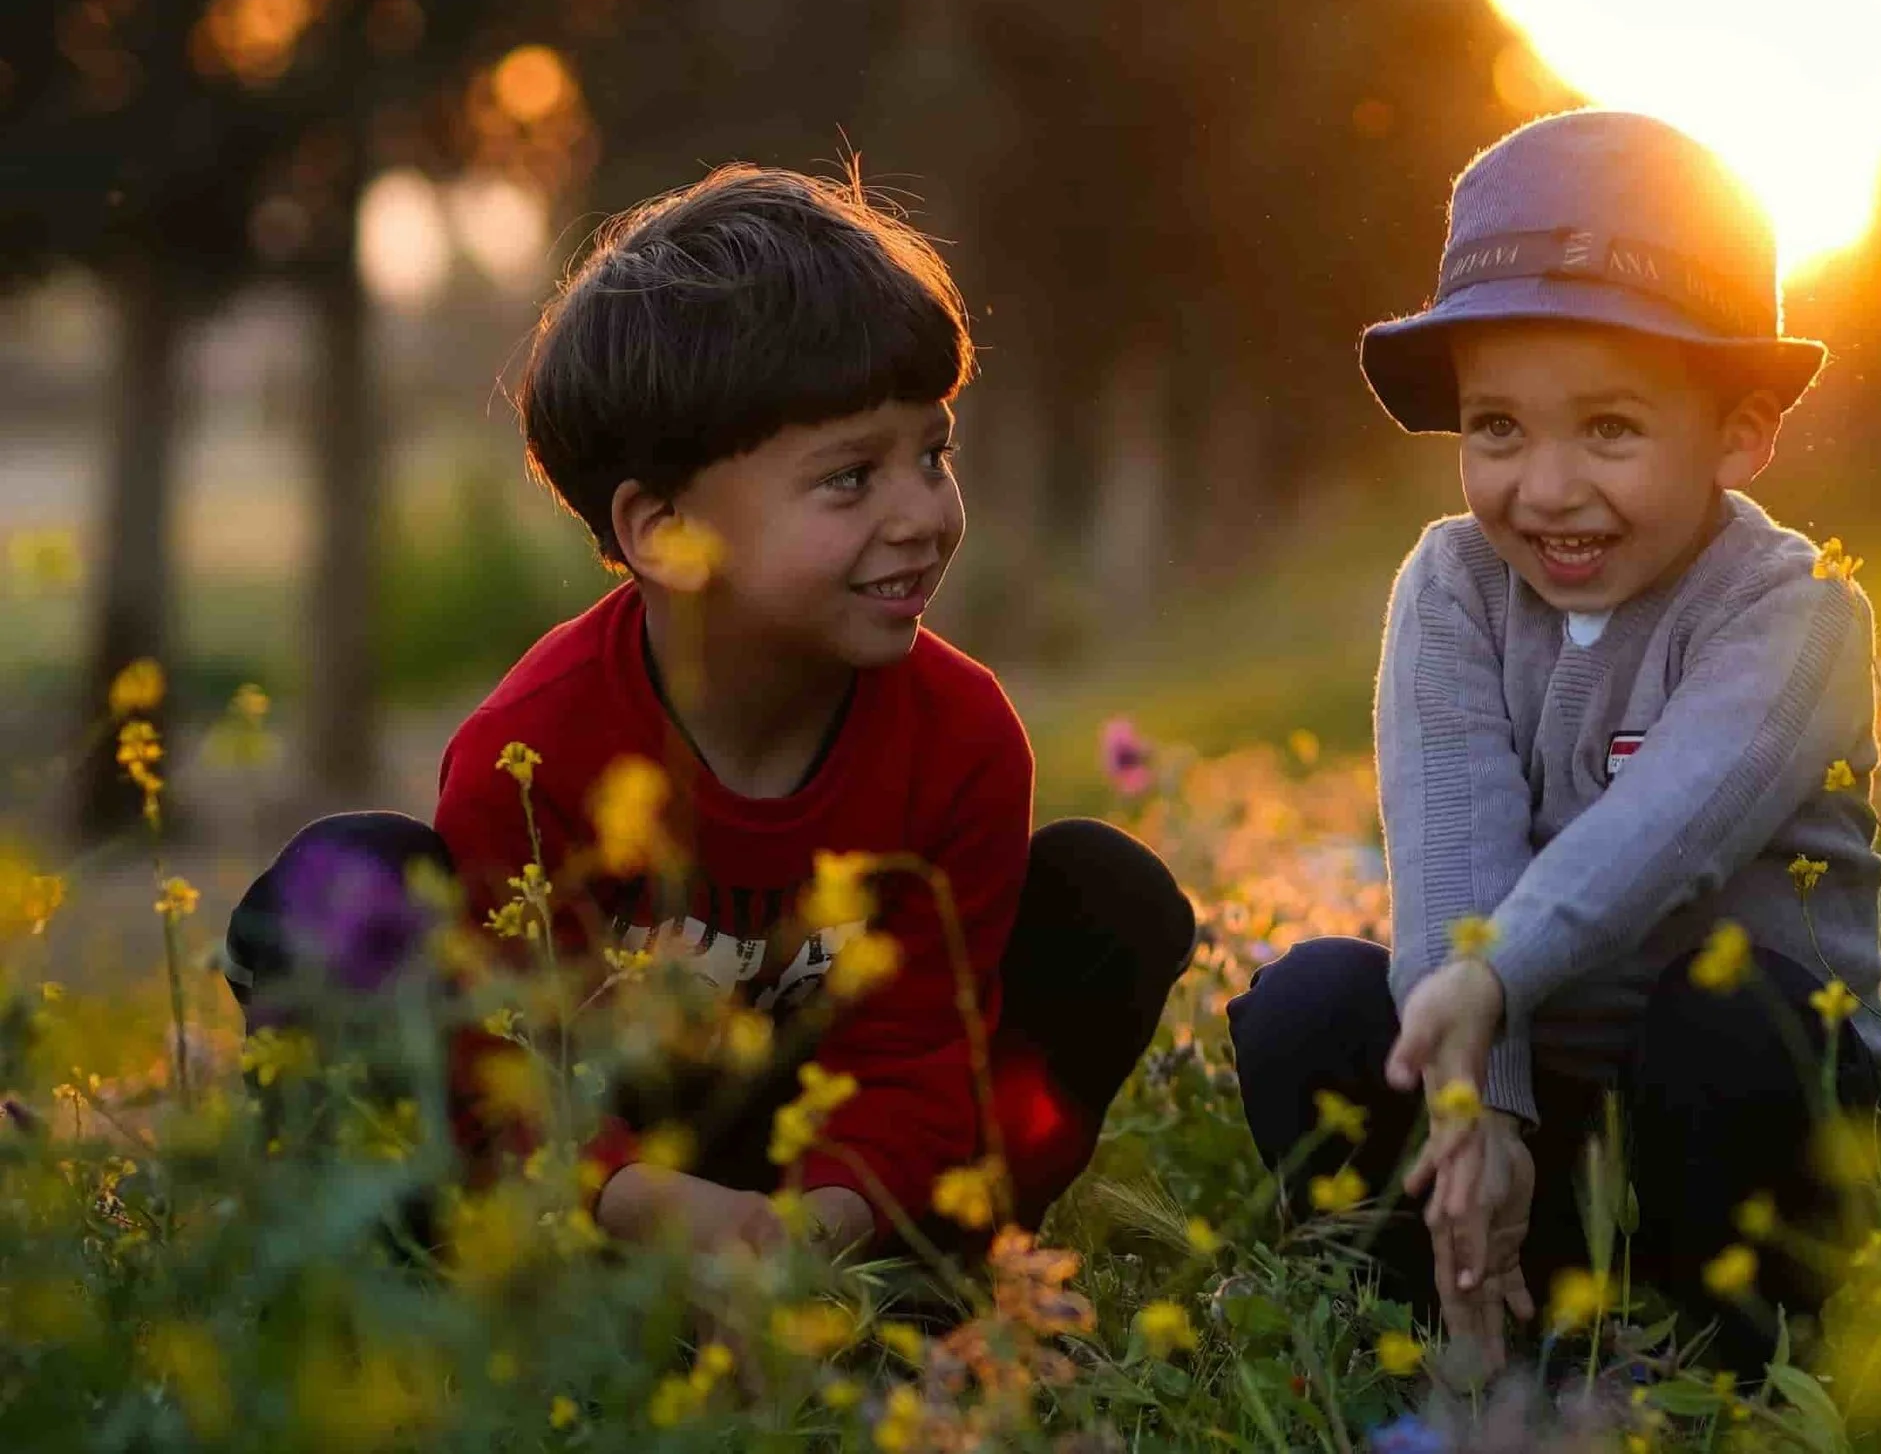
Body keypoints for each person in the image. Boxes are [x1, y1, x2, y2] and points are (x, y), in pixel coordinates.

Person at [222, 165, 1194, 1261]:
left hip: (832, 1196)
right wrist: (648, 1212)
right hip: (587, 1200)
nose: (922, 512)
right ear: (662, 530)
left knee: (1108, 897)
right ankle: (360, 1294)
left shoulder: (961, 738)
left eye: (932, 452)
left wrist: (811, 1234)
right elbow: (496, 1075)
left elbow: (920, 1058)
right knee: (345, 878)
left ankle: (928, 1302)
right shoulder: (532, 756)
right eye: (849, 478)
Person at [1228, 111, 1881, 1374]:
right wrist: (1472, 1097)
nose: (1543, 489)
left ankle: (1721, 1350)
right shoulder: (1452, 585)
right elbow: (1450, 840)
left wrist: (1490, 985)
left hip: (1747, 1113)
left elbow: (1669, 835)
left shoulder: (1798, 613)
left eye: (1607, 429)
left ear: (1740, 432)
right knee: (1307, 1004)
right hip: (1540, 1100)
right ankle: (1451, 1308)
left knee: (1721, 1013)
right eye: (1498, 429)